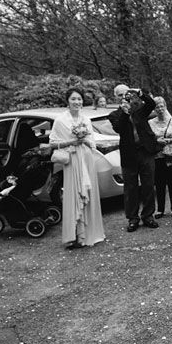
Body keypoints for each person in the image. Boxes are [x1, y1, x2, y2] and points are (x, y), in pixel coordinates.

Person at [50, 87, 105, 249]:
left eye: (79, 99)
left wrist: (84, 139)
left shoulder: (86, 120)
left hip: (86, 157)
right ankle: (75, 235)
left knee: (89, 192)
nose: (77, 102)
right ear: (67, 101)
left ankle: (89, 233)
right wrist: (71, 142)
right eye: (73, 99)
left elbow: (93, 141)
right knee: (74, 193)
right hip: (72, 159)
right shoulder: (60, 121)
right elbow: (52, 143)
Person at [108, 84, 160, 232]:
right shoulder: (114, 114)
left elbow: (152, 104)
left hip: (145, 151)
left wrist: (141, 93)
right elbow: (118, 128)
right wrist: (125, 112)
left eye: (126, 94)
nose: (124, 97)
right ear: (116, 97)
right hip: (129, 154)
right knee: (130, 188)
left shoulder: (139, 109)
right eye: (120, 95)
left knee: (148, 185)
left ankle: (148, 216)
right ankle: (132, 218)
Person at [149, 96, 172, 219]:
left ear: (165, 106)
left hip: (171, 155)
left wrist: (168, 140)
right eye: (157, 106)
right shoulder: (150, 123)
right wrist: (157, 140)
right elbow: (149, 140)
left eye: (161, 106)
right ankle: (160, 209)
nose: (160, 109)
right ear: (154, 109)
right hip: (158, 156)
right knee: (159, 183)